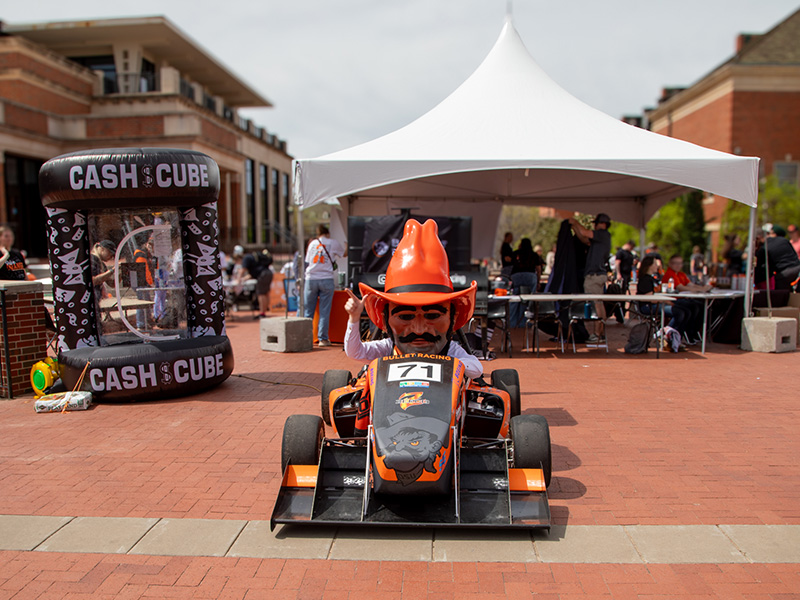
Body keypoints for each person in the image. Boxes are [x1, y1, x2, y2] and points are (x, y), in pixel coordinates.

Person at [343, 218, 482, 388]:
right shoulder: (388, 347)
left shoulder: (449, 350)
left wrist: (451, 366)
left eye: (432, 316)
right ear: (387, 319)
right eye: (406, 316)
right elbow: (356, 352)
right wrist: (354, 318)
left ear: (451, 318)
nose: (419, 329)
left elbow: (476, 368)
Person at [568, 213, 612, 343]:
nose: (595, 226)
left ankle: (597, 333)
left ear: (602, 224)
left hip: (595, 275)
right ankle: (600, 332)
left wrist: (575, 222)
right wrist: (574, 227)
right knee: (598, 303)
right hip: (596, 275)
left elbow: (585, 233)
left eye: (596, 223)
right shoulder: (600, 239)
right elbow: (583, 239)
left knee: (597, 304)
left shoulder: (603, 234)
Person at [304, 224, 346, 346]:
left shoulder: (312, 244)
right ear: (327, 233)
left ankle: (307, 338)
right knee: (324, 310)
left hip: (311, 278)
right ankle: (322, 338)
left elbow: (308, 261)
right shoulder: (333, 242)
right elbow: (344, 254)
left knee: (308, 311)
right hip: (326, 278)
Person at [662, 254, 710, 343]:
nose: (678, 265)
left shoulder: (681, 274)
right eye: (675, 263)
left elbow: (690, 285)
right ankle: (688, 333)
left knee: (699, 306)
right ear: (670, 264)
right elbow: (681, 287)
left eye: (680, 263)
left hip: (681, 299)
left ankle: (693, 332)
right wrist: (701, 289)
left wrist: (702, 288)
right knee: (692, 307)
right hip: (673, 300)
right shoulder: (670, 274)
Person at [754, 225, 800, 290]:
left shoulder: (764, 249)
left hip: (784, 273)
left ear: (759, 238)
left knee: (780, 292)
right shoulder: (783, 240)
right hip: (798, 268)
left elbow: (762, 268)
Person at [509, 237, 542, 327]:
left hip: (516, 276)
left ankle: (512, 322)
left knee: (514, 299)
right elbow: (538, 269)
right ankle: (524, 321)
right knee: (528, 299)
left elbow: (510, 262)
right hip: (530, 276)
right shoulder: (534, 255)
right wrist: (538, 281)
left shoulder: (516, 253)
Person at [243, 249, 274, 318]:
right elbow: (253, 272)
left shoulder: (246, 258)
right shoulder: (254, 258)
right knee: (266, 293)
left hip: (263, 275)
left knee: (261, 294)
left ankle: (262, 313)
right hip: (268, 273)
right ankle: (264, 311)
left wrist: (239, 279)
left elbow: (243, 270)